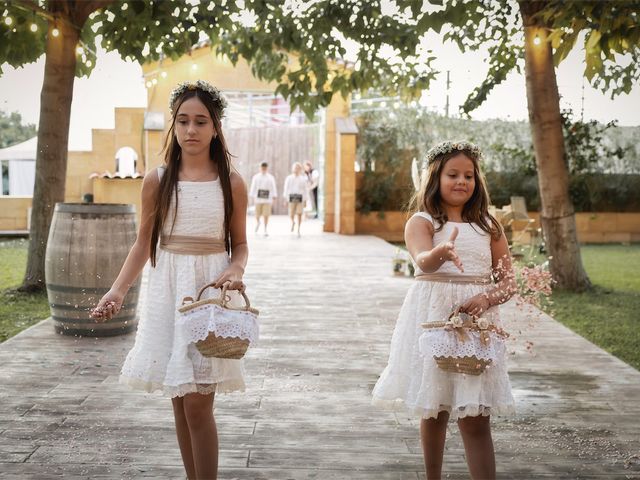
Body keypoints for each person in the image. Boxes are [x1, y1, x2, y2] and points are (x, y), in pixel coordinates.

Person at [90, 80, 248, 480]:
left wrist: (235, 268)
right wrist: (117, 290)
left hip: (208, 295)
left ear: (216, 127)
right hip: (168, 292)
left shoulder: (232, 183)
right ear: (174, 127)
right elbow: (143, 244)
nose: (191, 130)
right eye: (183, 121)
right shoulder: (157, 180)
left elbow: (240, 244)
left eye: (200, 121)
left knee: (198, 402)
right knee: (180, 399)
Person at [371, 141, 517, 480]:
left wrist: (486, 299)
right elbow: (421, 260)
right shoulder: (422, 222)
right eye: (453, 174)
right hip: (433, 320)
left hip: (476, 325)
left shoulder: (489, 226)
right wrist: (442, 250)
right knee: (435, 409)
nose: (462, 181)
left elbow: (509, 282)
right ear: (435, 178)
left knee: (476, 415)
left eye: (469, 175)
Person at [249, 162, 277, 236]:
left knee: (266, 215)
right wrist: (252, 196)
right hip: (258, 199)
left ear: (267, 168)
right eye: (262, 167)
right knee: (257, 214)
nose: (263, 169)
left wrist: (274, 197)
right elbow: (253, 187)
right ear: (260, 168)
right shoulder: (256, 177)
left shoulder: (271, 177)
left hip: (267, 199)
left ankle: (265, 228)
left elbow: (273, 187)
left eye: (265, 168)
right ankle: (258, 222)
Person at [283, 162, 308, 236]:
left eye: (298, 168)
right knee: (291, 214)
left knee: (299, 214)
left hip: (300, 198)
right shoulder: (289, 178)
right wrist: (285, 199)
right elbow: (286, 189)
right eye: (295, 168)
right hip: (291, 197)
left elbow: (305, 190)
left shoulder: (303, 179)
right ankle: (293, 222)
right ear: (293, 169)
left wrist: (305, 200)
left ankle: (298, 229)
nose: (296, 169)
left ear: (300, 169)